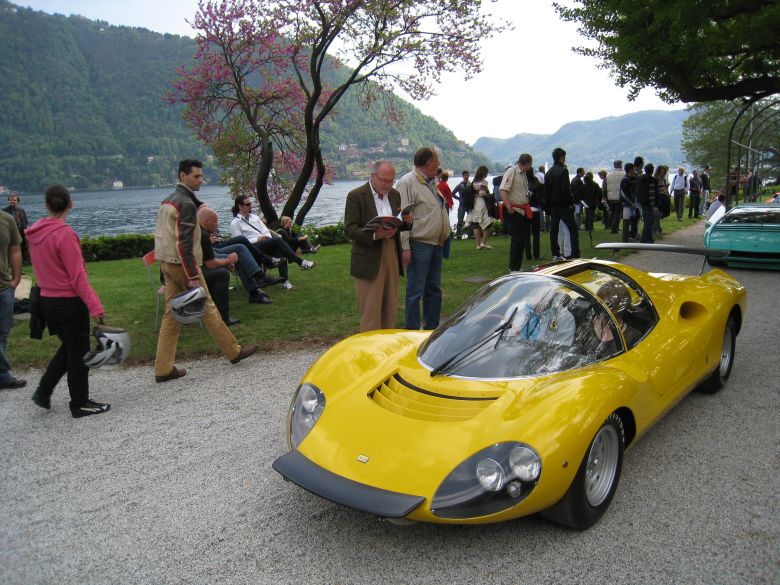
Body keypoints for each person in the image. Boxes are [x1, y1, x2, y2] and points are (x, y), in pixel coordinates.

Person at [154, 159, 257, 383]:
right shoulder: (186, 204)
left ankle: (162, 368)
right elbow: (184, 243)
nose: (201, 180)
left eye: (201, 176)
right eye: (196, 176)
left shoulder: (168, 200)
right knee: (208, 306)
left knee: (171, 315)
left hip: (166, 262)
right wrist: (192, 274)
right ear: (183, 176)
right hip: (182, 264)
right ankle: (233, 351)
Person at [25, 185, 111, 416]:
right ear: (70, 204)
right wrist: (95, 306)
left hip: (46, 300)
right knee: (79, 353)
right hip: (68, 302)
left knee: (69, 347)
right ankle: (79, 403)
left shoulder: (34, 234)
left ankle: (44, 391)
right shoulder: (64, 234)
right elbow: (77, 277)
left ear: (46, 205)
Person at [344, 161, 412, 331]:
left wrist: (406, 222)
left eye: (391, 180)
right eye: (383, 180)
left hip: (392, 252)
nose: (387, 185)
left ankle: (386, 344)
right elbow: (350, 229)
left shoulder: (395, 195)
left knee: (390, 308)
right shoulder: (356, 196)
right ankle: (370, 346)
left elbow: (395, 223)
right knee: (371, 312)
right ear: (373, 176)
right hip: (369, 256)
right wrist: (375, 235)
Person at [398, 147, 451, 330]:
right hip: (419, 244)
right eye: (437, 160)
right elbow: (402, 217)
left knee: (434, 289)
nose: (439, 164)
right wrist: (405, 247)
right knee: (415, 291)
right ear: (429, 163)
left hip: (436, 243)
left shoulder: (430, 181)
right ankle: (412, 331)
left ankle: (431, 330)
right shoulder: (407, 182)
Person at [229, 194, 315, 289]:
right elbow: (239, 242)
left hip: (264, 243)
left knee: (280, 253)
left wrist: (267, 238)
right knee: (278, 240)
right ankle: (300, 262)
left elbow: (265, 230)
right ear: (240, 206)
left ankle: (284, 281)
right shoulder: (235, 223)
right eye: (248, 204)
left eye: (251, 203)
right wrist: (256, 239)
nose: (250, 206)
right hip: (251, 248)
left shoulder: (255, 217)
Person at [199, 207, 276, 307]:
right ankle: (258, 282)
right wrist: (227, 261)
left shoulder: (202, 231)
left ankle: (259, 279)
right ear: (206, 221)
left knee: (240, 246)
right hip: (210, 254)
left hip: (214, 249)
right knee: (239, 253)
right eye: (215, 221)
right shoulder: (201, 234)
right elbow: (209, 261)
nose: (217, 224)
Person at [0, 208, 25, 390]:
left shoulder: (7, 220)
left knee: (2, 333)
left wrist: (15, 280)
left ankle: (2, 376)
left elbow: (15, 250)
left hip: (3, 287)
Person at [544, 147, 580, 260]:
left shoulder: (548, 172)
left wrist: (548, 206)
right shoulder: (563, 170)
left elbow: (546, 191)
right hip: (563, 204)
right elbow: (566, 189)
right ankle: (575, 253)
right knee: (572, 229)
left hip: (553, 205)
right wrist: (571, 202)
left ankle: (556, 253)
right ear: (561, 158)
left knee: (554, 230)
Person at [499, 154, 533, 272]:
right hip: (515, 210)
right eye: (530, 164)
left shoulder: (523, 175)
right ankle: (513, 267)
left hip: (522, 210)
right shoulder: (511, 171)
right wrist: (509, 207)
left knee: (521, 239)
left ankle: (516, 266)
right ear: (527, 164)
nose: (530, 167)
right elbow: (503, 189)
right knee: (517, 238)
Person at [595, 280, 642, 350]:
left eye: (608, 305)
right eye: (600, 303)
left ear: (619, 307)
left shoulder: (633, 337)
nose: (602, 308)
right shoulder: (591, 322)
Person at [467, 165, 494, 250]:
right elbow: (482, 193)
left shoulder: (473, 182)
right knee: (488, 222)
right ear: (484, 173)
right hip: (482, 203)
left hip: (474, 204)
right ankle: (483, 242)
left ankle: (478, 245)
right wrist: (488, 194)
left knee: (476, 225)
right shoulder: (483, 182)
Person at [3, 191, 29, 263]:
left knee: (23, 246)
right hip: (10, 233)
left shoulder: (22, 210)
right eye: (10, 200)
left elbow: (25, 222)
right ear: (8, 200)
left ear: (18, 201)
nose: (12, 201)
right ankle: (10, 262)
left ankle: (23, 261)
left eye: (14, 200)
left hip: (21, 232)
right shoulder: (4, 211)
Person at [636, 163, 659, 244]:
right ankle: (645, 239)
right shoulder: (652, 180)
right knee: (649, 223)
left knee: (647, 221)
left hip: (642, 202)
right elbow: (651, 194)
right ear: (652, 171)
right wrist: (653, 206)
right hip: (649, 204)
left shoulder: (640, 179)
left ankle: (649, 239)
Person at [605, 160, 625, 234]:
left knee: (613, 213)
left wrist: (606, 196)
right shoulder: (623, 174)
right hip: (619, 197)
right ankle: (614, 228)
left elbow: (605, 186)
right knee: (618, 213)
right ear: (620, 165)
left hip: (610, 197)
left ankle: (613, 227)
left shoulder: (608, 175)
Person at [620, 162, 637, 242]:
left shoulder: (630, 179)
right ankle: (628, 236)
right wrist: (631, 203)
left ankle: (632, 235)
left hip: (630, 203)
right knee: (628, 220)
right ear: (631, 170)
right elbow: (623, 193)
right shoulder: (625, 180)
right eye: (633, 169)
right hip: (628, 203)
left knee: (634, 219)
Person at [451, 170, 470, 239]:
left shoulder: (470, 185)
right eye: (465, 175)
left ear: (469, 176)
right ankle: (459, 235)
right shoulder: (459, 185)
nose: (466, 176)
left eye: (467, 175)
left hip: (469, 205)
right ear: (462, 176)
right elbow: (452, 193)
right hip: (462, 205)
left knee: (470, 220)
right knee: (460, 221)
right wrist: (458, 198)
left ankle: (471, 235)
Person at [653, 165, 670, 236]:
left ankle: (657, 229)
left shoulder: (663, 180)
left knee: (659, 214)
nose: (663, 173)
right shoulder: (655, 179)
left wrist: (665, 190)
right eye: (661, 171)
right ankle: (657, 230)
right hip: (657, 198)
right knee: (656, 214)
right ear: (658, 171)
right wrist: (661, 190)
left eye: (664, 172)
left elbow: (665, 189)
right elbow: (654, 190)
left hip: (663, 198)